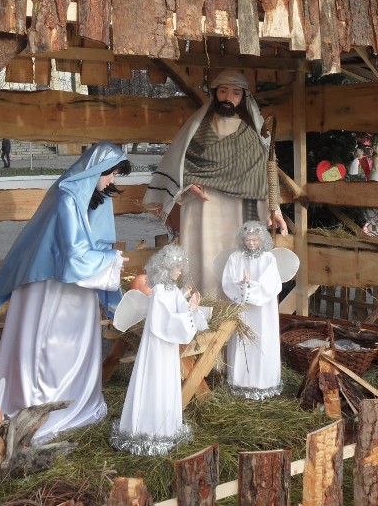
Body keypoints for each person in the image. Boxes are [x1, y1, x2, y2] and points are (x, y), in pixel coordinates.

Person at [0, 142, 131, 442]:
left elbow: (95, 243)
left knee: (75, 348)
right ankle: (43, 410)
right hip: (52, 288)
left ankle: (75, 403)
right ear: (95, 170)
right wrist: (110, 260)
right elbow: (74, 255)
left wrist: (106, 258)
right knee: (51, 348)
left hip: (78, 290)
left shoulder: (93, 197)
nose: (112, 180)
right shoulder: (67, 198)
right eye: (110, 173)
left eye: (115, 174)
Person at [144, 69, 287, 299]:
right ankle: (199, 308)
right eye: (223, 91)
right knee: (202, 263)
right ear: (215, 94)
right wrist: (187, 184)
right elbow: (179, 165)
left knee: (233, 260)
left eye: (235, 93)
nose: (229, 98)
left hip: (236, 212)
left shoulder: (250, 136)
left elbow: (263, 175)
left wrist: (275, 209)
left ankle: (233, 307)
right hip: (202, 209)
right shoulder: (197, 131)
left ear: (242, 98)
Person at [110, 245, 209, 456]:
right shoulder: (160, 291)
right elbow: (165, 320)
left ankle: (166, 427)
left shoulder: (170, 288)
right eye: (177, 268)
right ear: (166, 268)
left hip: (167, 346)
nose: (180, 271)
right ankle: (150, 428)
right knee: (156, 380)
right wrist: (189, 311)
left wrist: (187, 301)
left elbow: (176, 307)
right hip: (158, 345)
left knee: (165, 380)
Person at [222, 221, 283, 400]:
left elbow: (271, 285)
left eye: (255, 240)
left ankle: (264, 383)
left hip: (263, 311)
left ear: (261, 240)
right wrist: (242, 285)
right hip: (243, 310)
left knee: (262, 341)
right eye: (248, 239)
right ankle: (241, 381)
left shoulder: (268, 259)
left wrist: (251, 286)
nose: (251, 243)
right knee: (243, 342)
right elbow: (227, 281)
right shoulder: (235, 257)